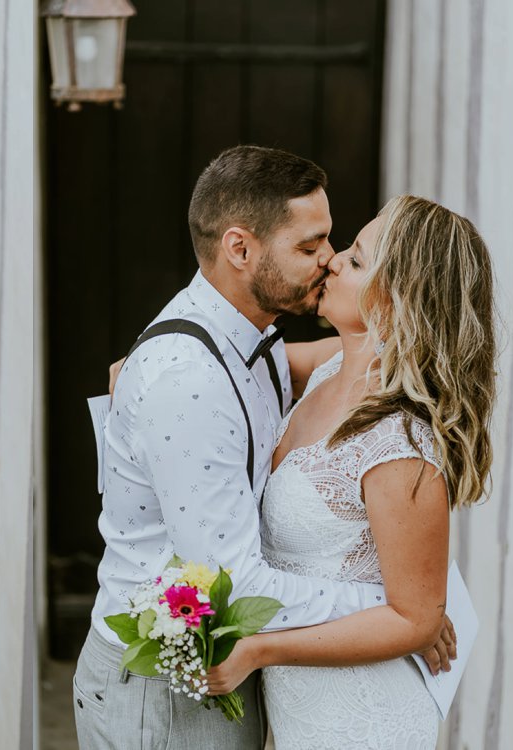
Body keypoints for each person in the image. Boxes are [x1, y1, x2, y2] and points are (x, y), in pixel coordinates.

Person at [75, 146, 451, 749]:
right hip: (168, 684)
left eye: (339, 247)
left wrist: (410, 616)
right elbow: (238, 584)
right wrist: (401, 614)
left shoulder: (264, 350)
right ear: (240, 249)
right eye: (310, 247)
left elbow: (401, 341)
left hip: (265, 674)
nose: (328, 262)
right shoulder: (188, 378)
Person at [204, 195, 495, 748]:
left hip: (361, 716)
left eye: (356, 261)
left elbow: (415, 621)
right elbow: (230, 360)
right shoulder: (331, 364)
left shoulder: (398, 443)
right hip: (301, 704)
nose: (333, 260)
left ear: (398, 301)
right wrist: (153, 357)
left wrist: (262, 647)